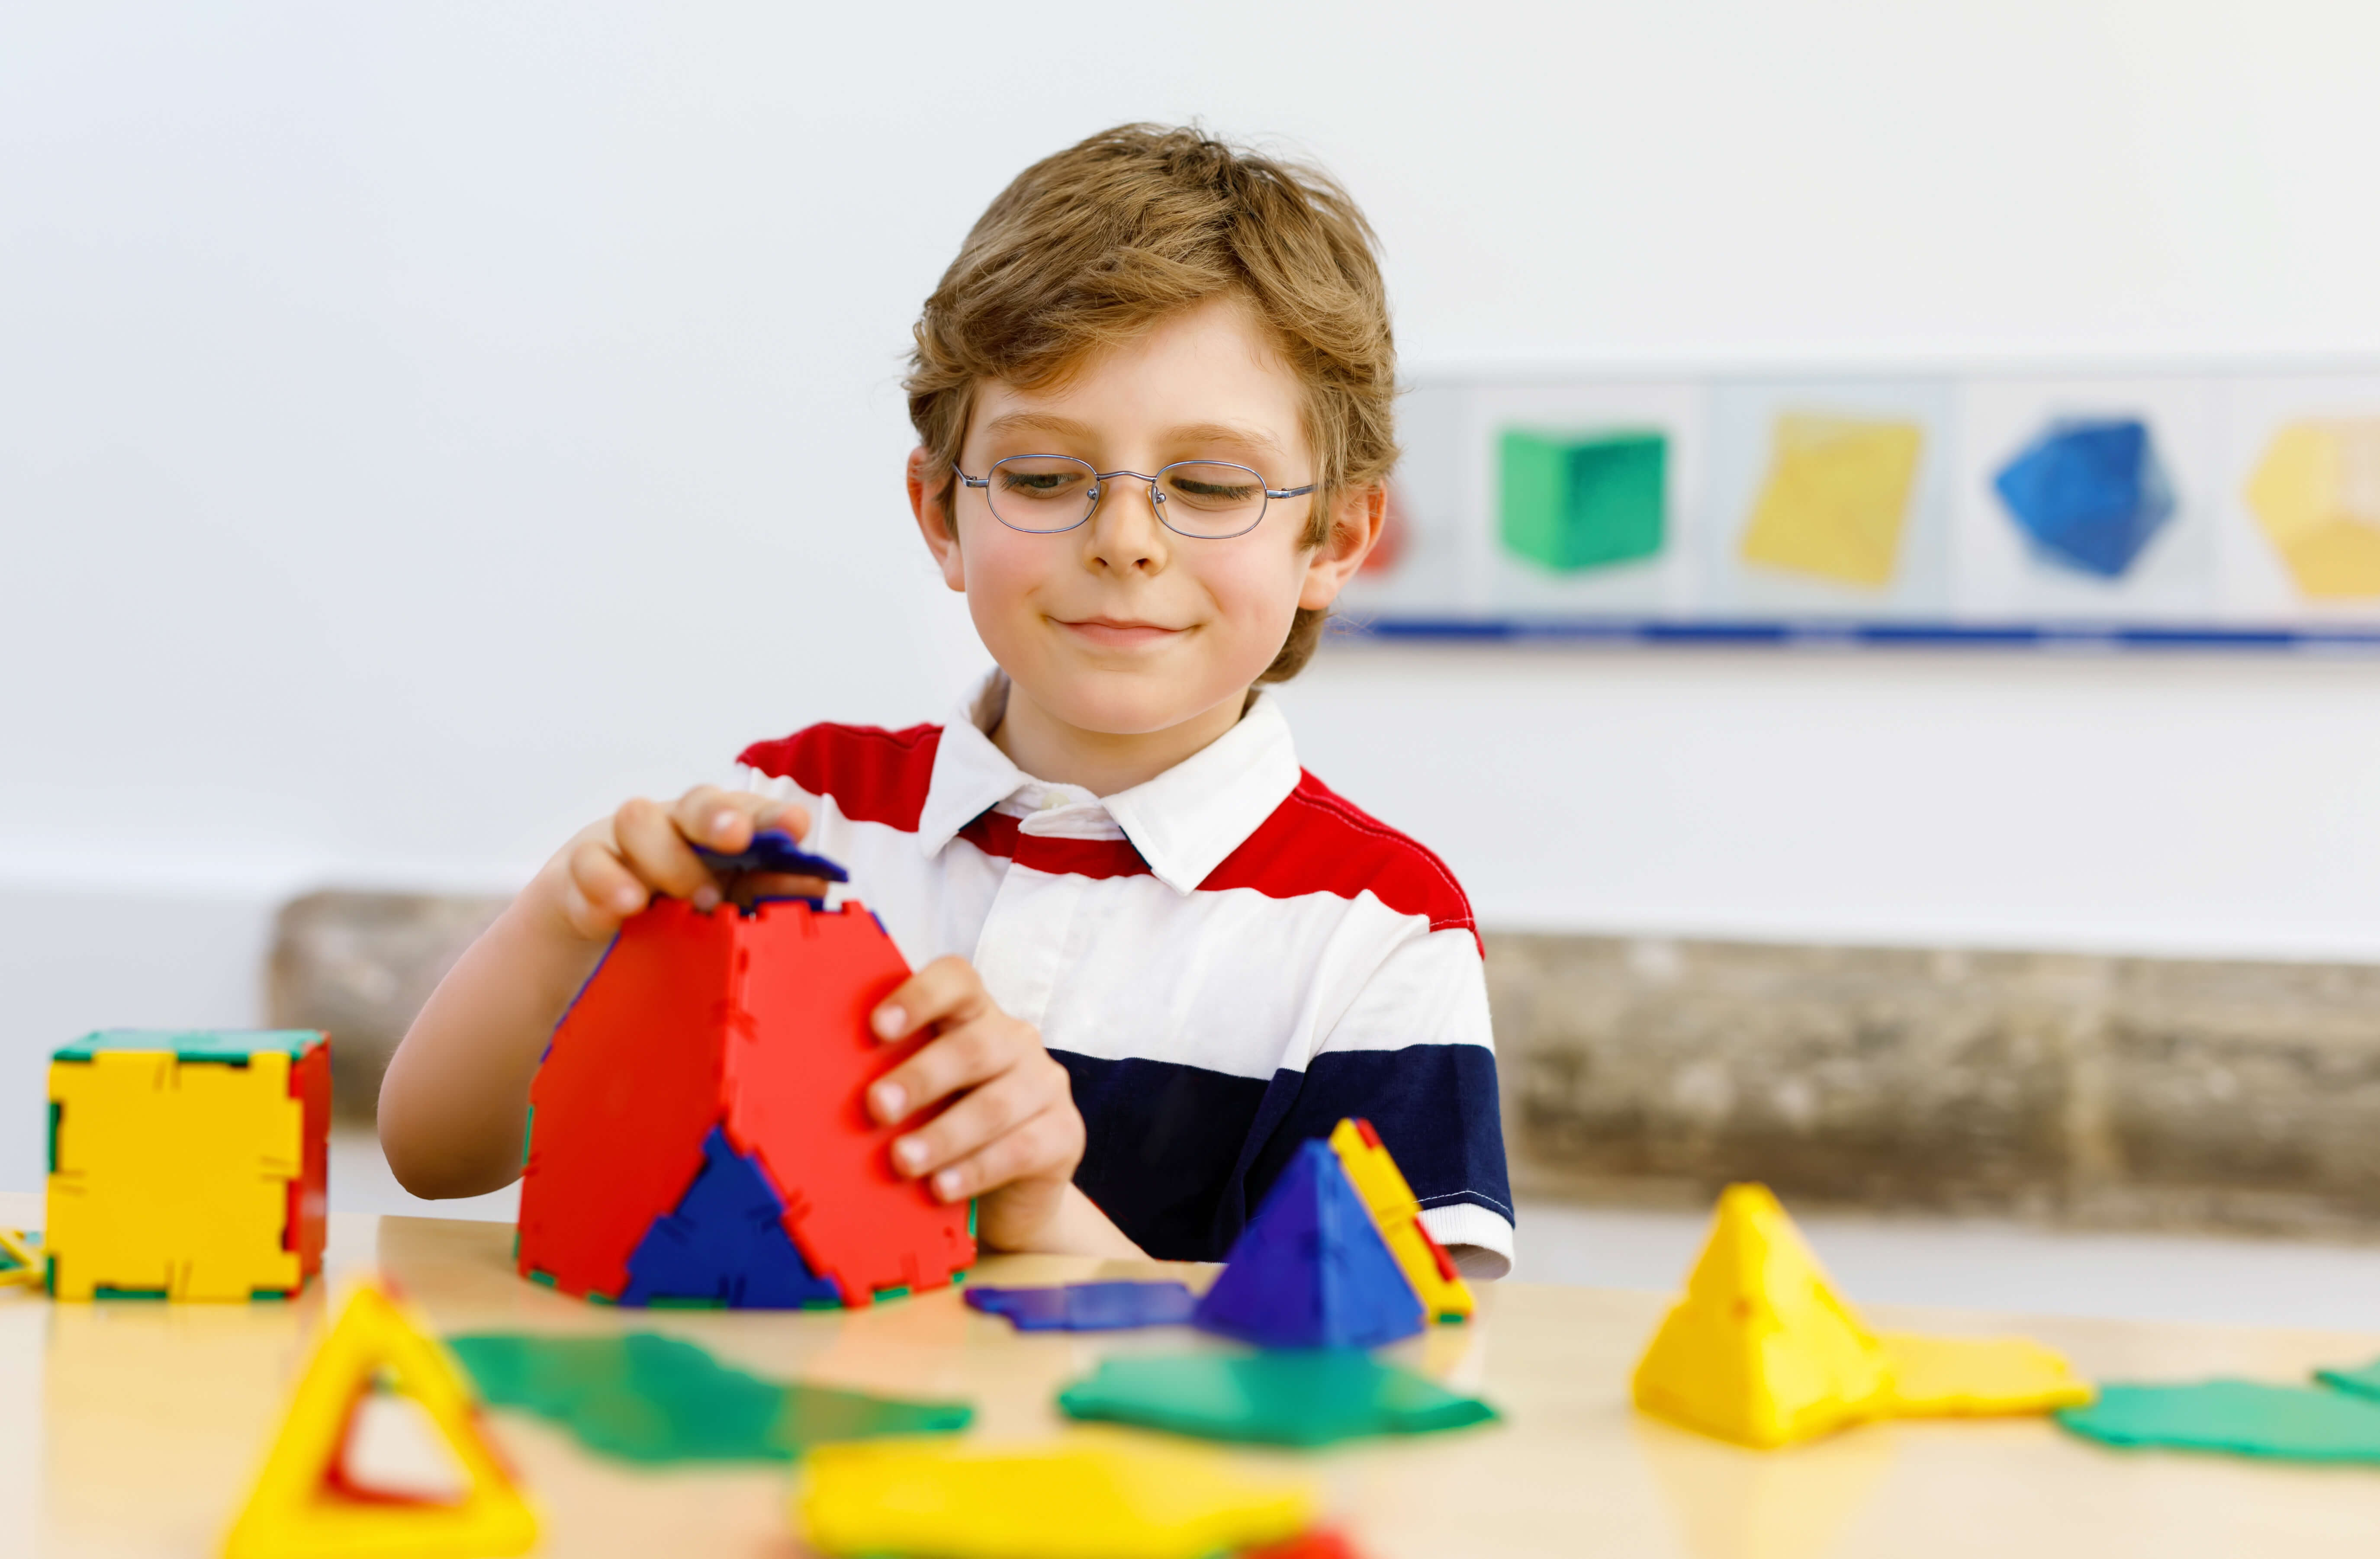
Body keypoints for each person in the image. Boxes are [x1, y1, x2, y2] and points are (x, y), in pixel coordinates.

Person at [378, 123, 1514, 1275]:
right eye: (1043, 476)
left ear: (1337, 538)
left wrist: (1044, 1219)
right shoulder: (802, 813)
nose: (1125, 539)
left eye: (1211, 485)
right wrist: (563, 923)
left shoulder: (1381, 929)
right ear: (941, 515)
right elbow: (435, 1157)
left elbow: (1406, 1352)